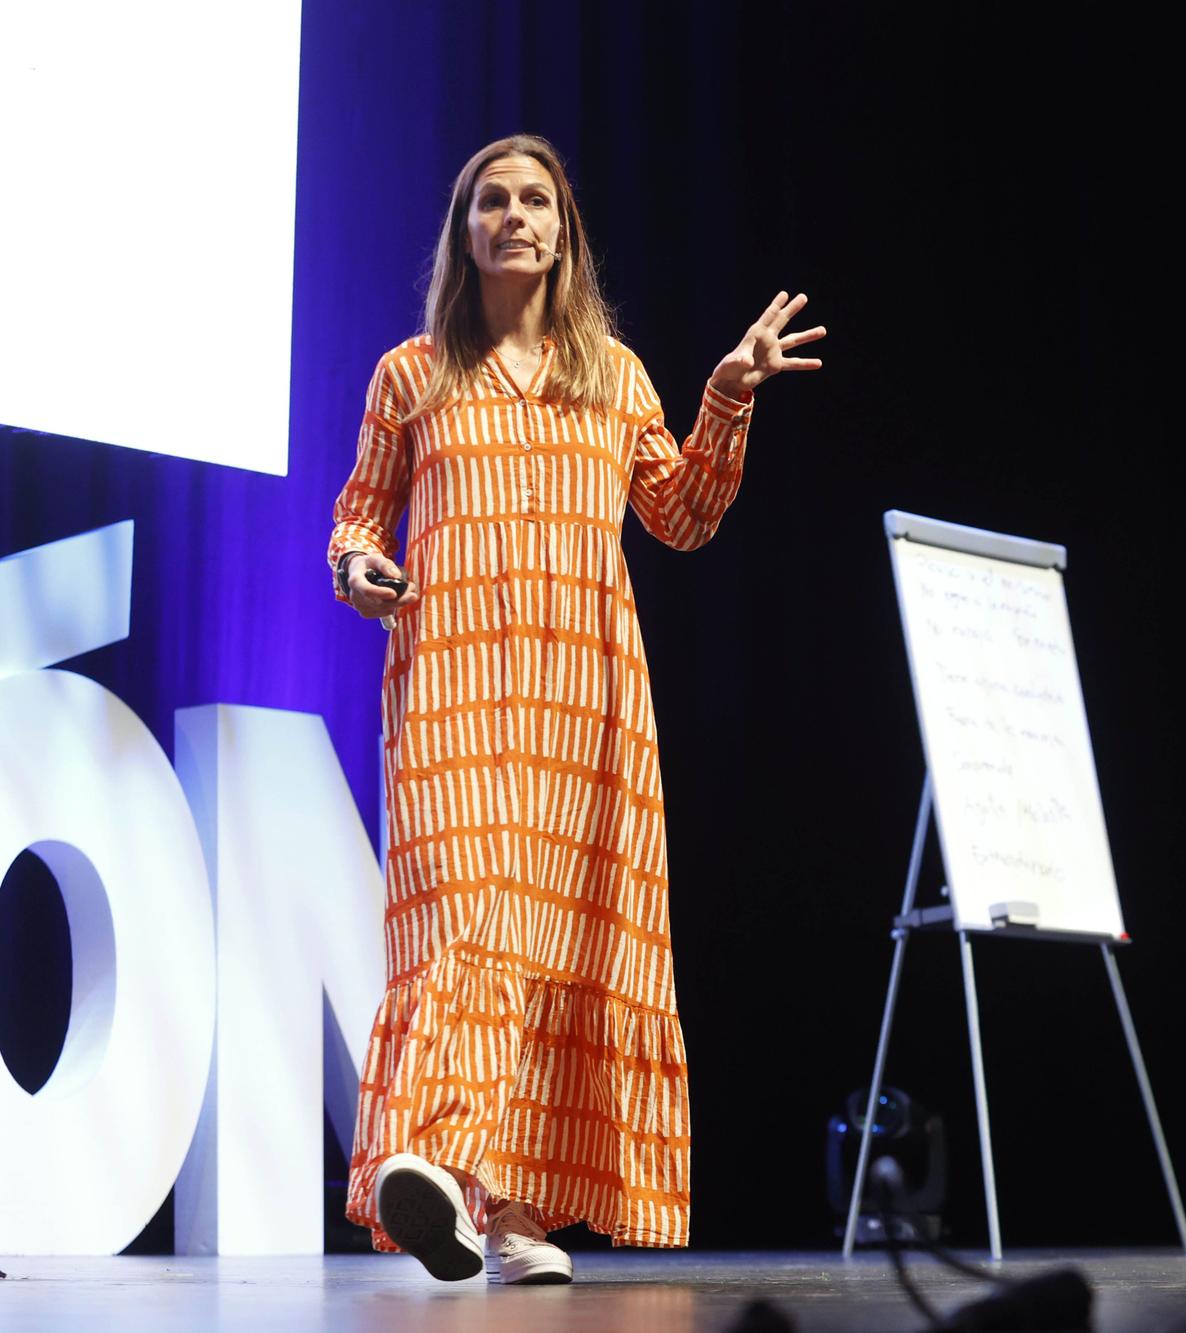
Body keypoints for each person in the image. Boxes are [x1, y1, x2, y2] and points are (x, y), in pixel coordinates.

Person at [326, 133, 823, 1285]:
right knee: (465, 922)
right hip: (450, 685)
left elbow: (685, 516)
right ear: (465, 232)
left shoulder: (614, 378)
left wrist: (729, 395)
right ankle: (438, 1163)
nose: (514, 217)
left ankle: (511, 1213)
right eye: (491, 200)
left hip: (583, 704)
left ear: (563, 229)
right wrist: (359, 571)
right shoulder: (411, 375)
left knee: (558, 935)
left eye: (534, 199)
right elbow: (358, 519)